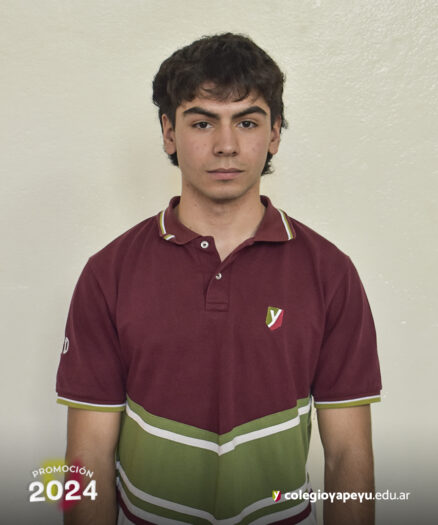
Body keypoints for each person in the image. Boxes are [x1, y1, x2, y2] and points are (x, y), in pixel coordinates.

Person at [56, 33, 382, 525]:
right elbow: (86, 459)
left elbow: (347, 456)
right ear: (169, 133)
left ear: (274, 134)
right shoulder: (109, 273)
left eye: (247, 122)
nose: (226, 145)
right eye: (202, 122)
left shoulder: (330, 273)